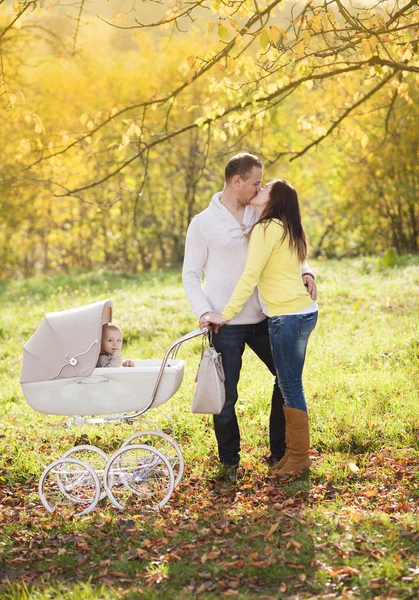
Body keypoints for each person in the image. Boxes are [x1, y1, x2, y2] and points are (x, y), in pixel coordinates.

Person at [182, 153, 317, 479]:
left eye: (262, 183)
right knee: (226, 396)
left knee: (284, 381)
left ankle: (281, 453)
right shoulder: (204, 223)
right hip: (225, 324)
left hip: (267, 318)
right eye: (255, 181)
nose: (260, 187)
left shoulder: (263, 213)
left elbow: (287, 244)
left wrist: (307, 271)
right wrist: (205, 312)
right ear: (236, 180)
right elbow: (190, 274)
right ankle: (229, 461)